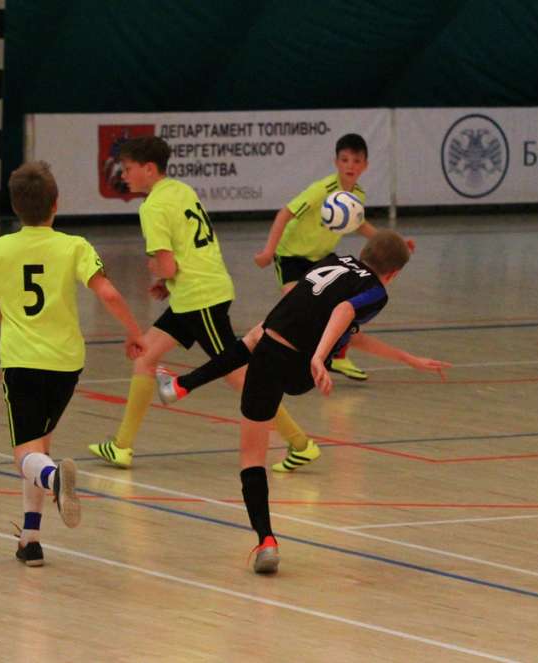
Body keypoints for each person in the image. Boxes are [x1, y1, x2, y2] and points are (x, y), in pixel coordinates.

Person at [158, 230, 450, 573]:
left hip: (273, 355)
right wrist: (323, 356)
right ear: (394, 273)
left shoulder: (332, 262)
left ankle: (267, 541)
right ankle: (180, 385)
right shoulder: (375, 290)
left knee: (252, 450)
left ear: (364, 250)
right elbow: (346, 318)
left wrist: (401, 358)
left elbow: (339, 315)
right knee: (259, 336)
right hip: (302, 369)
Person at [87, 135, 316, 471]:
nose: (123, 175)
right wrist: (169, 282)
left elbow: (167, 265)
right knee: (145, 356)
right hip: (196, 292)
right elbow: (190, 249)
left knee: (241, 376)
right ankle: (122, 446)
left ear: (148, 169)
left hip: (201, 298)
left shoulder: (152, 207)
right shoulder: (181, 190)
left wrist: (159, 272)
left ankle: (300, 443)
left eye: (128, 168)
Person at [0, 161, 145, 567]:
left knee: (25, 457)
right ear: (56, 204)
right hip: (67, 364)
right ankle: (30, 540)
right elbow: (109, 294)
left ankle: (53, 479)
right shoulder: (74, 246)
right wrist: (135, 332)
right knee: (40, 447)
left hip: (22, 363)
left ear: (15, 206)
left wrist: (10, 315)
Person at [253, 133, 413, 382]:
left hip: (322, 258)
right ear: (336, 162)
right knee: (300, 307)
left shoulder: (357, 194)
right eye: (345, 160)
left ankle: (338, 356)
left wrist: (395, 243)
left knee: (340, 307)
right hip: (291, 256)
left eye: (356, 161)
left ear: (365, 165)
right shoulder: (322, 190)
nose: (350, 165)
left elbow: (358, 224)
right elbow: (284, 214)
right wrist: (268, 251)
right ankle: (264, 348)